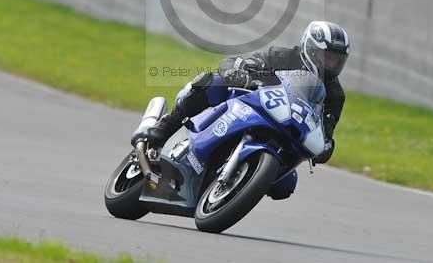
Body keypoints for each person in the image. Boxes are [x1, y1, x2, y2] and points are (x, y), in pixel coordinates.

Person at [146, 21, 350, 169]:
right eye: (328, 58)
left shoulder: (335, 95)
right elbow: (235, 63)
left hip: (287, 133)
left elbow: (326, 132)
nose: (332, 65)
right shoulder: (282, 57)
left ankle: (247, 180)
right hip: (254, 108)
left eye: (337, 61)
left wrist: (326, 147)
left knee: (285, 186)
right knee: (213, 82)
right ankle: (165, 127)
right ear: (311, 49)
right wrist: (241, 74)